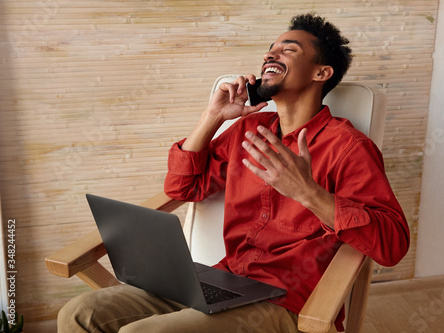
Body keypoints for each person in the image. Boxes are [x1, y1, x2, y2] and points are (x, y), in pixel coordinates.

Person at [58, 13, 409, 333]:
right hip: (225, 281)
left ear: (321, 73)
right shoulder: (249, 130)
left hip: (285, 302)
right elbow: (182, 187)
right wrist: (212, 117)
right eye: (270, 50)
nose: (271, 55)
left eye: (288, 50)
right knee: (79, 313)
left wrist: (307, 192)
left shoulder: (347, 147)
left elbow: (392, 244)